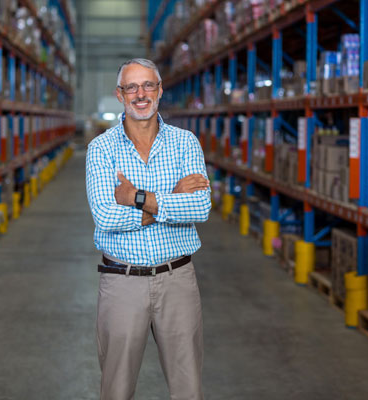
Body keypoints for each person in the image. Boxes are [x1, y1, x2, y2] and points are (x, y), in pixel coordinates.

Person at [85, 58, 212, 400]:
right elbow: (106, 217)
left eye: (148, 86)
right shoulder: (101, 149)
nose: (140, 94)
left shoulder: (185, 143)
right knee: (117, 389)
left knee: (188, 390)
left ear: (159, 90)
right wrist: (170, 199)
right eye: (132, 87)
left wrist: (136, 197)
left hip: (178, 281)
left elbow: (200, 207)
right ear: (119, 94)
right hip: (122, 281)